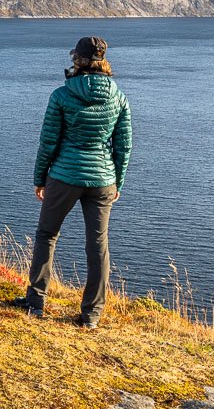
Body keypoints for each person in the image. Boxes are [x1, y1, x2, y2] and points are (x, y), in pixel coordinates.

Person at [13, 36, 132, 328]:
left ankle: (35, 302)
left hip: (64, 176)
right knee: (98, 244)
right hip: (103, 179)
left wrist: (39, 178)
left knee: (47, 236)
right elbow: (124, 144)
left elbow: (48, 141)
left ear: (76, 60)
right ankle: (91, 315)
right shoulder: (118, 96)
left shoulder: (61, 95)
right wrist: (118, 180)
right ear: (103, 60)